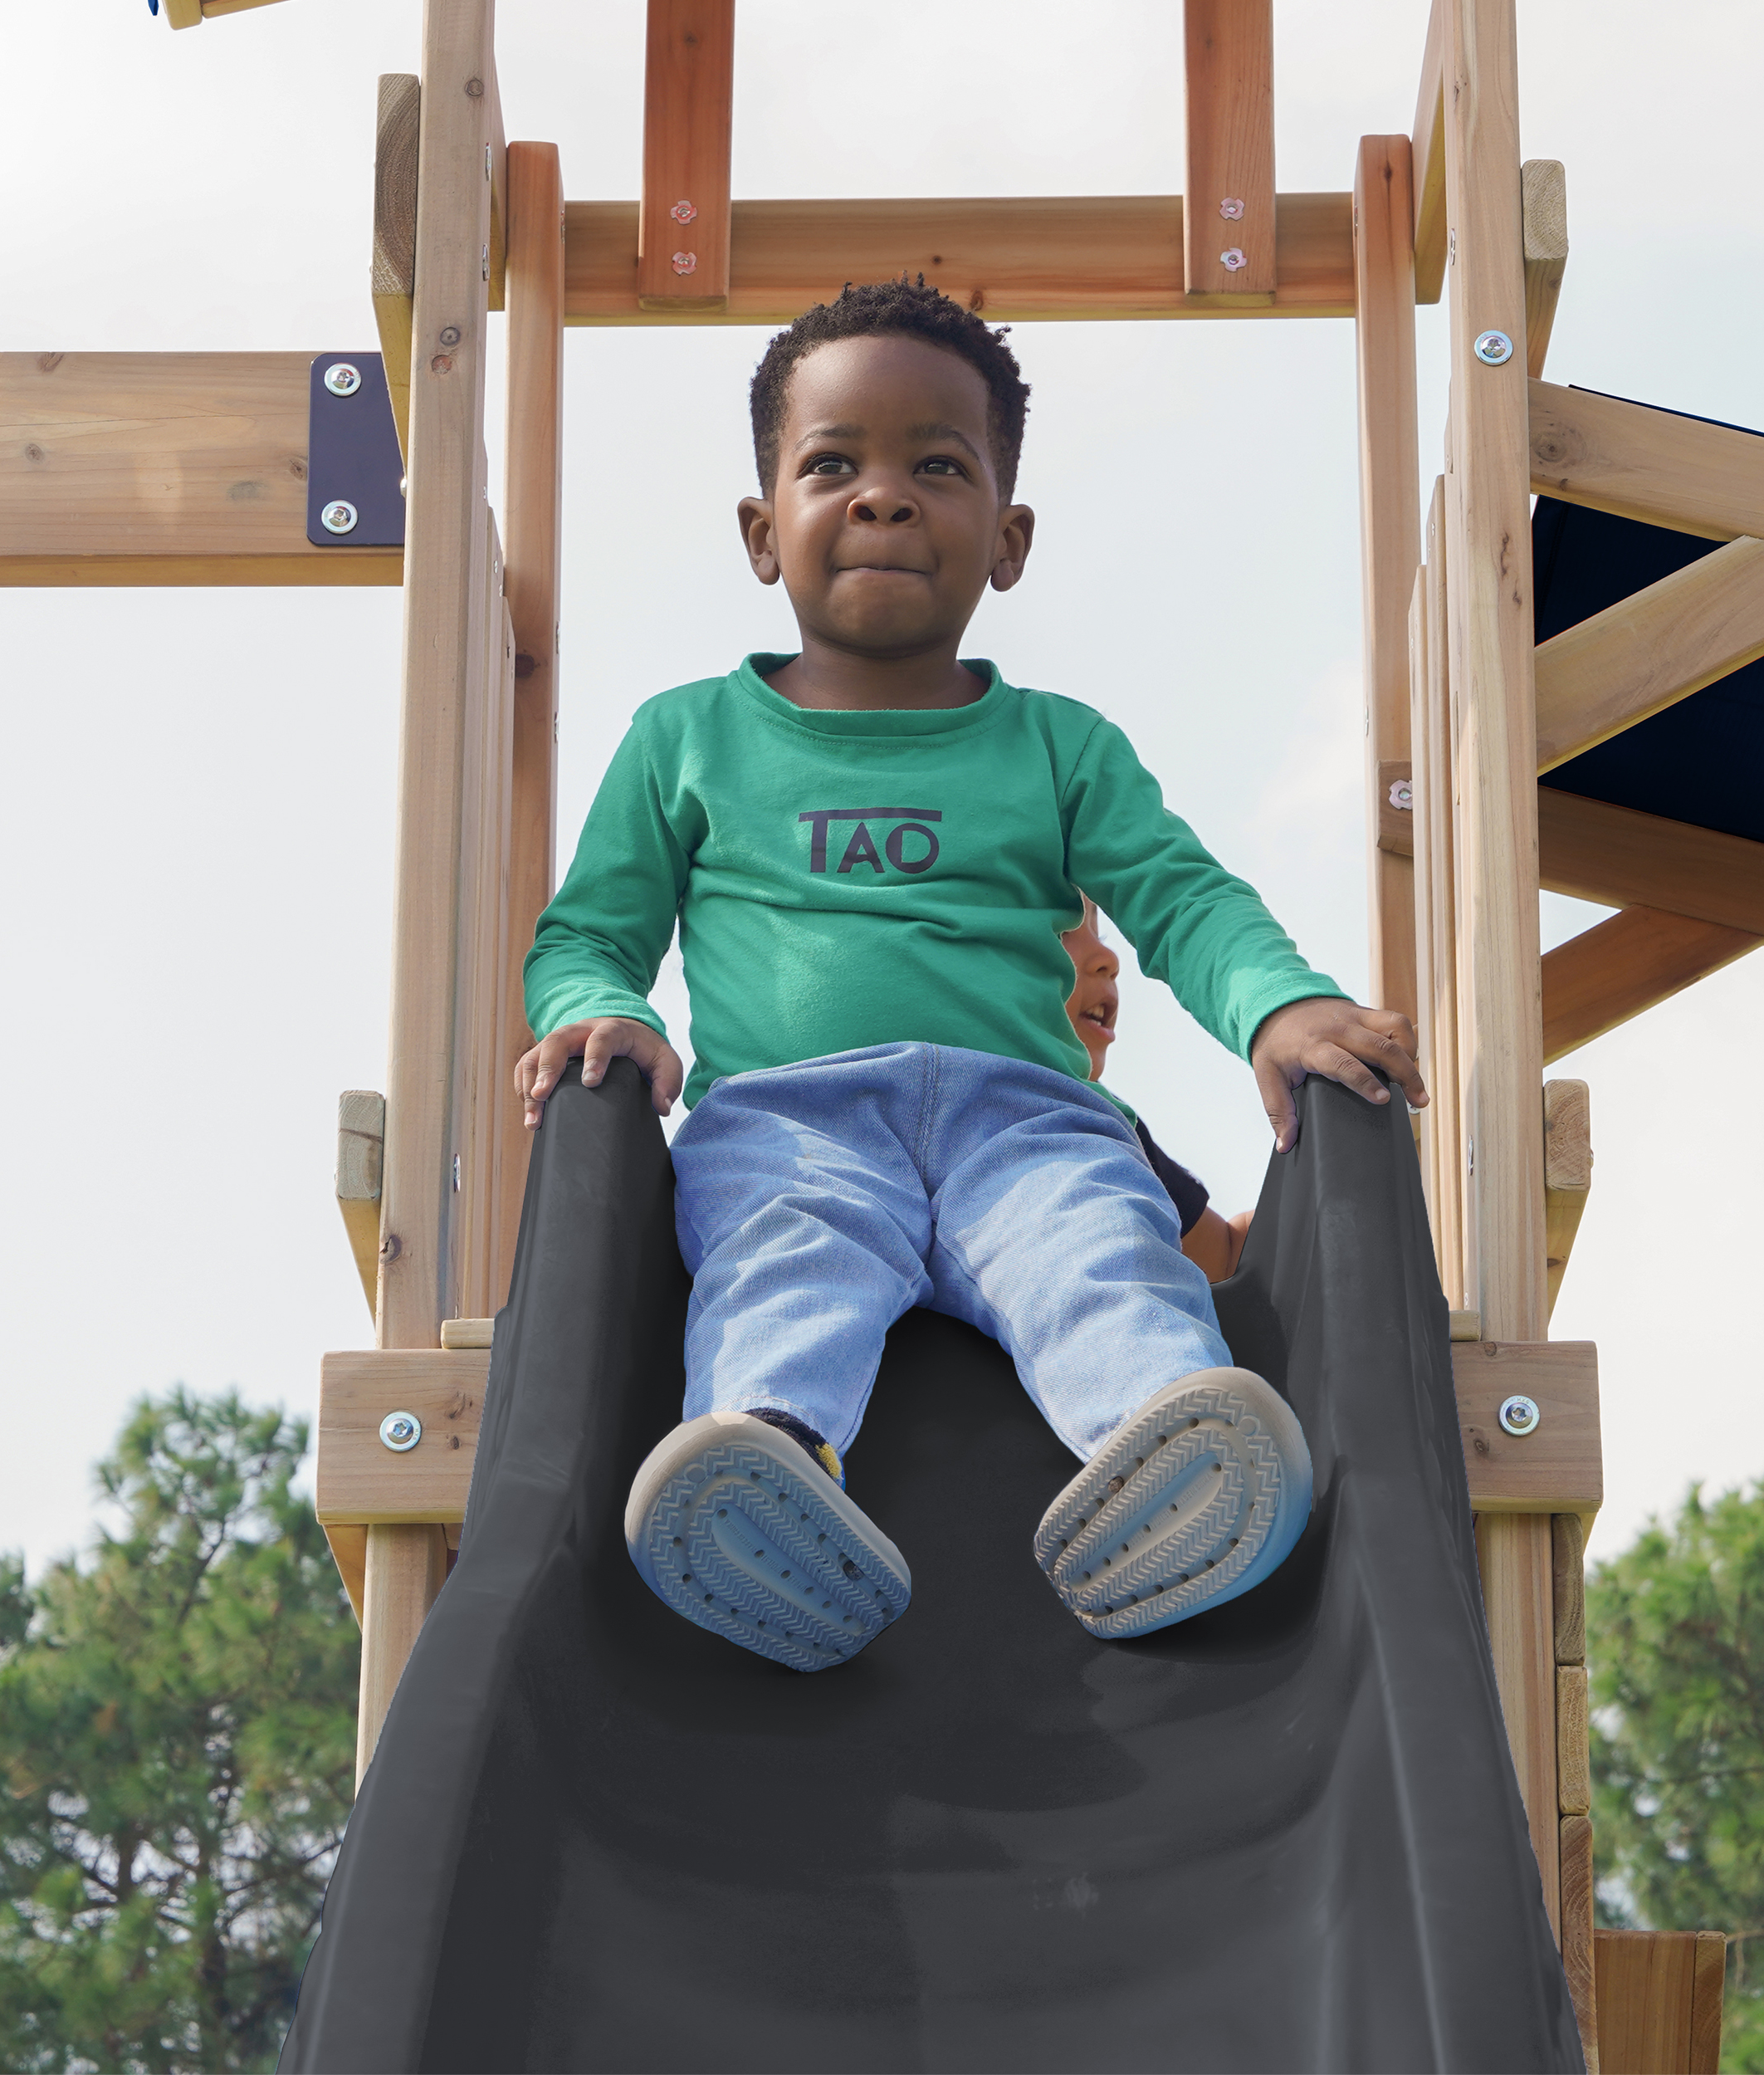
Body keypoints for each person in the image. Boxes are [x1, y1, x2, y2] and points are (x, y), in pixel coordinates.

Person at [514, 278, 1425, 1673]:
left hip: (1028, 1121)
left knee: (1101, 1262)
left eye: (936, 466)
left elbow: (1183, 900)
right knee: (784, 1262)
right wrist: (606, 1014)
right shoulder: (688, 740)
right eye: (834, 465)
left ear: (1007, 540)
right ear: (764, 534)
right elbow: (589, 932)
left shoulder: (1059, 748)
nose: (883, 498)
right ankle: (758, 1474)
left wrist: (1281, 1005)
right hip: (788, 1123)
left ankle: (1176, 1461)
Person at [1059, 901, 1251, 1285]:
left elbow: (1225, 1256)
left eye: (1100, 934)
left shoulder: (1108, 1126)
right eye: (1059, 929)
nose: (1109, 958)